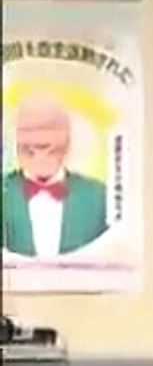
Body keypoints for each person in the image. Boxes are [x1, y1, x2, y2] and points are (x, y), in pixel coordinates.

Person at [2, 94, 109, 257]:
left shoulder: (99, 196)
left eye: (49, 128)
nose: (40, 145)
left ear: (68, 141)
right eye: (30, 131)